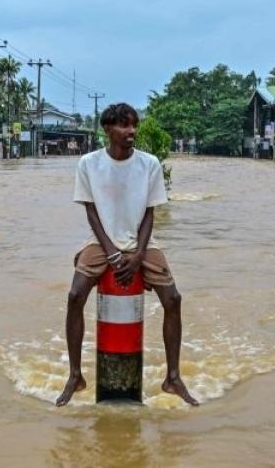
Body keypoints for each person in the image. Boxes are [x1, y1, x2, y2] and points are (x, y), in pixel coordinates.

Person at [56, 102, 198, 407]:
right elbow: (92, 212)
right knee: (74, 295)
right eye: (123, 125)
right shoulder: (88, 163)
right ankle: (75, 375)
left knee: (173, 299)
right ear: (108, 130)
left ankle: (173, 377)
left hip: (142, 241)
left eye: (133, 124)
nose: (131, 131)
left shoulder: (149, 164)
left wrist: (138, 256)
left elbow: (150, 214)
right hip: (101, 239)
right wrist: (110, 253)